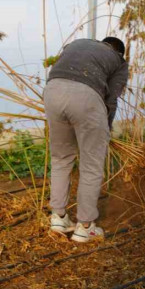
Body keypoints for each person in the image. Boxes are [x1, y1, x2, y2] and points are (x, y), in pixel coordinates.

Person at [43, 37, 128, 243]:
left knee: (61, 158)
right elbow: (111, 100)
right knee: (91, 165)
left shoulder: (78, 43)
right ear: (119, 52)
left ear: (102, 43)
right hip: (86, 96)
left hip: (52, 90)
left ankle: (58, 218)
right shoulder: (119, 61)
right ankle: (86, 227)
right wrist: (104, 131)